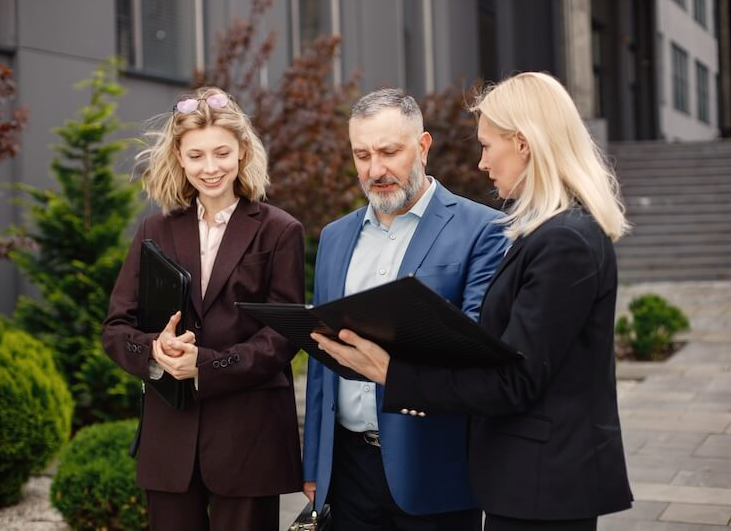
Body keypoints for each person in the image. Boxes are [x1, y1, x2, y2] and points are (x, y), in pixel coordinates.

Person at [313, 72, 634, 530]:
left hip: (542, 484)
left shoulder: (563, 240)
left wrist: (390, 373)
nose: (482, 163)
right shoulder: (547, 232)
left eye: (486, 145)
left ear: (522, 142)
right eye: (361, 154)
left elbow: (514, 380)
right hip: (525, 479)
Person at [302, 88, 510, 531]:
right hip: (347, 471)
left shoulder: (483, 230)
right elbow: (322, 366)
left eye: (389, 152)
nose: (375, 169)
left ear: (423, 146)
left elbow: (476, 351)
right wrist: (314, 465)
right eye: (362, 155)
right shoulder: (335, 237)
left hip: (435, 469)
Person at [102, 86, 304, 531]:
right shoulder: (153, 229)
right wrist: (155, 350)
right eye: (196, 156)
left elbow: (284, 335)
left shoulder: (280, 231)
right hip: (169, 440)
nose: (209, 168)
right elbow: (116, 328)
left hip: (249, 439)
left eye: (221, 153)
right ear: (178, 155)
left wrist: (206, 365)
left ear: (242, 151)